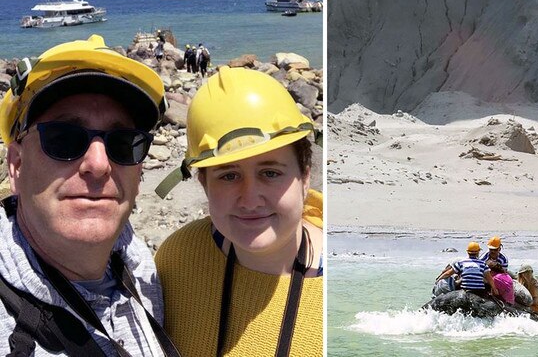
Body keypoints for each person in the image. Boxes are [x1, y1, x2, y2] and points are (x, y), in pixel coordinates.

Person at [0, 35, 179, 356]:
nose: (99, 165)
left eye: (124, 143)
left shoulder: (147, 272)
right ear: (16, 166)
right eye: (63, 138)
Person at [154, 66, 322, 356]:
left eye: (270, 173)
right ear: (204, 184)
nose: (250, 200)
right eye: (229, 176)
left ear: (304, 178)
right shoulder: (177, 258)